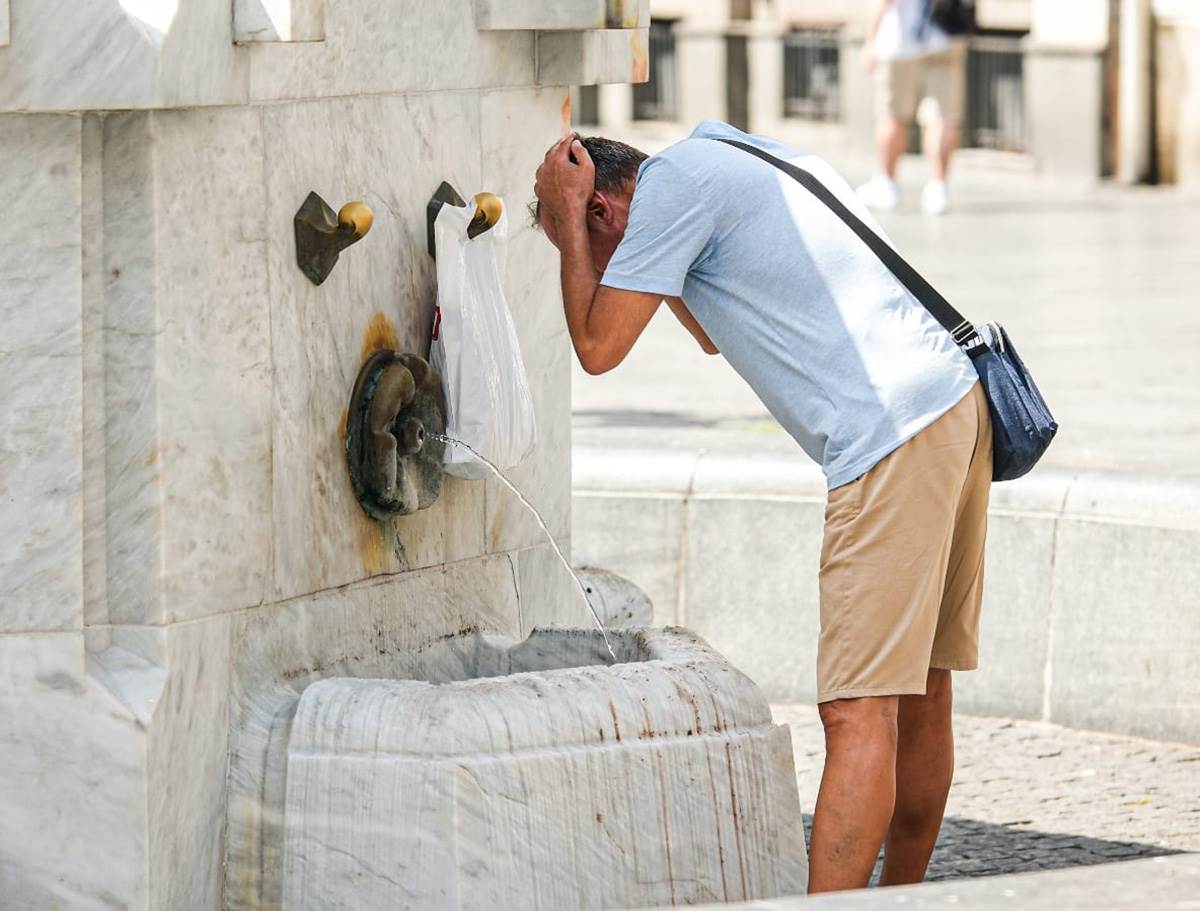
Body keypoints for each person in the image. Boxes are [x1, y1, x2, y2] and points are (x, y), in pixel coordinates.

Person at [533, 121, 992, 893]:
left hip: (887, 431)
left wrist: (566, 216)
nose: (585, 266)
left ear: (606, 212)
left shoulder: (670, 192)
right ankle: (904, 896)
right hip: (949, 400)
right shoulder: (715, 156)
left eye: (574, 244)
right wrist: (590, 224)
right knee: (924, 688)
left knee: (857, 711)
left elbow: (597, 344)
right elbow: (711, 334)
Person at [857, 0, 968, 215]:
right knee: (942, 116)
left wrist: (870, 40)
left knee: (892, 115)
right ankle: (938, 187)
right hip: (945, 37)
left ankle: (887, 182)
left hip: (900, 42)